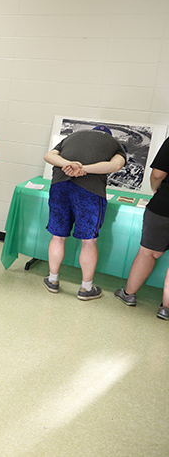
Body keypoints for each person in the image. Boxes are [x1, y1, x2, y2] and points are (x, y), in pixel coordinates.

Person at [42, 125, 126, 300]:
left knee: (58, 236)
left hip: (60, 186)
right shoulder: (115, 143)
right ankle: (86, 289)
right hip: (90, 192)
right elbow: (115, 165)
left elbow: (48, 156)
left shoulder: (73, 136)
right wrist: (83, 169)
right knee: (89, 241)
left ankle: (52, 279)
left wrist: (70, 165)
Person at [116, 136, 169, 319]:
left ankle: (129, 294)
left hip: (164, 206)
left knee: (148, 253)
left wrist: (156, 190)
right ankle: (166, 308)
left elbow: (157, 174)